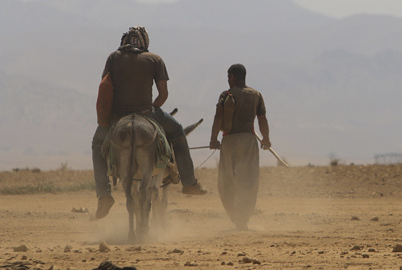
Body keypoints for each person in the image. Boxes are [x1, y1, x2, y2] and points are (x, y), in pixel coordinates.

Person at [92, 26, 207, 219]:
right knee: (178, 132)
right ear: (145, 43)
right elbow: (163, 95)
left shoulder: (113, 57)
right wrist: (148, 109)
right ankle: (189, 183)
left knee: (97, 146)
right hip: (147, 112)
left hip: (117, 116)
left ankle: (104, 195)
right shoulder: (155, 59)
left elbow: (105, 87)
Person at [210, 64, 270, 230]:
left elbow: (218, 117)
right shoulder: (256, 95)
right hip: (248, 141)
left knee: (226, 181)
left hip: (229, 141)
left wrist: (213, 139)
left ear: (232, 77)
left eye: (228, 77)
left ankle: (235, 218)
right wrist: (266, 139)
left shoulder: (225, 95)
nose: (228, 80)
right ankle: (243, 220)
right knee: (248, 181)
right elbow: (262, 119)